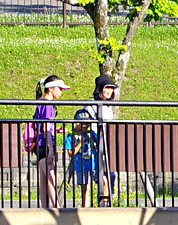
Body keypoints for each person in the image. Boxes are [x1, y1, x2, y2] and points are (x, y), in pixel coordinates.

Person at [70, 76, 119, 206]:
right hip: (94, 145)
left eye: (111, 88)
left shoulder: (108, 106)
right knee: (97, 177)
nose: (110, 91)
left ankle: (106, 204)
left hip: (106, 143)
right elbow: (84, 124)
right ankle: (95, 205)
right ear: (100, 89)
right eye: (107, 88)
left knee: (109, 175)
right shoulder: (91, 105)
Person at [29, 75, 68, 210]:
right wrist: (51, 149)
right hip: (45, 145)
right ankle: (58, 209)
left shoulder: (41, 102)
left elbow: (43, 125)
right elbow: (45, 126)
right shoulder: (47, 104)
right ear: (50, 89)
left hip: (40, 144)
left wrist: (56, 130)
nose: (61, 92)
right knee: (51, 178)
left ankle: (45, 208)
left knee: (44, 180)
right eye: (59, 88)